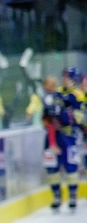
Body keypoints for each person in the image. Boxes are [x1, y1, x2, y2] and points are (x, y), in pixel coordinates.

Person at [40, 72, 83, 210]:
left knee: (71, 165)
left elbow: (79, 117)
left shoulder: (75, 95)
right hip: (52, 137)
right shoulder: (51, 96)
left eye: (68, 78)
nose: (65, 80)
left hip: (68, 137)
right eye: (64, 78)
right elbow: (46, 118)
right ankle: (57, 195)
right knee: (52, 167)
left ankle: (72, 194)